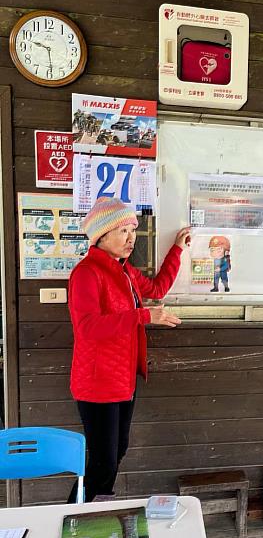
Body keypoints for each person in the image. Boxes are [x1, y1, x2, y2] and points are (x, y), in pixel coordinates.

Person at [67, 197, 191, 503]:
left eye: (132, 230)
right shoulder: (86, 273)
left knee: (116, 453)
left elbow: (157, 289)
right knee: (102, 462)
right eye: (123, 231)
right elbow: (88, 328)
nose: (131, 238)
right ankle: (72, 519)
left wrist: (177, 249)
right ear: (102, 236)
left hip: (123, 381)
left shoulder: (124, 271)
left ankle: (95, 513)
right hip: (97, 384)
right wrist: (145, 316)